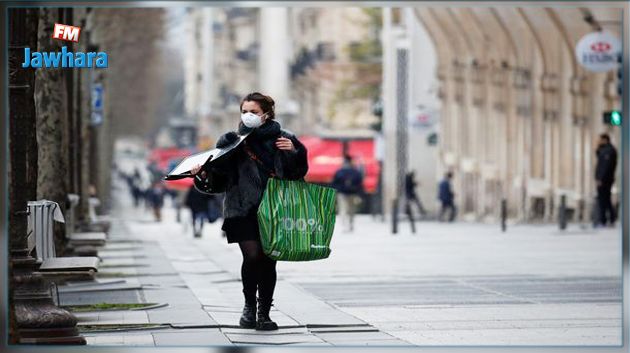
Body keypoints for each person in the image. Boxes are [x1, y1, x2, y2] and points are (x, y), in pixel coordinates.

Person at [190, 92, 308, 331]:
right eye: (245, 111)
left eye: (254, 112)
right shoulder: (231, 141)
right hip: (242, 208)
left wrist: (293, 152)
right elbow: (219, 180)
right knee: (253, 256)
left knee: (268, 259)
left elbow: (297, 174)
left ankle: (264, 312)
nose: (248, 116)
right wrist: (202, 174)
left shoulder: (285, 139)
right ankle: (248, 308)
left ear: (267, 114)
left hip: (275, 209)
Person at [331, 154, 364, 232]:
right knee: (351, 210)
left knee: (344, 209)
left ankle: (345, 225)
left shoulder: (340, 172)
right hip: (351, 193)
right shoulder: (355, 172)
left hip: (343, 193)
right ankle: (350, 224)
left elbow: (334, 183)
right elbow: (360, 183)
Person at [595, 133, 618, 227]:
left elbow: (605, 167)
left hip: (605, 180)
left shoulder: (609, 151)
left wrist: (600, 179)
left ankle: (604, 220)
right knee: (606, 200)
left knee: (603, 200)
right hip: (605, 179)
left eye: (600, 140)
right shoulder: (604, 150)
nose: (598, 141)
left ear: (605, 140)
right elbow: (598, 155)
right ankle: (611, 219)